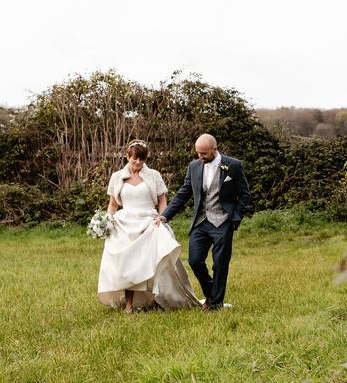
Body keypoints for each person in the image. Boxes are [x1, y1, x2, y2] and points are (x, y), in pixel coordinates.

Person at [97, 139, 201, 312]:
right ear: (127, 156)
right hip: (125, 224)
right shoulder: (117, 177)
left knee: (154, 261)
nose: (138, 162)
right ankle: (129, 305)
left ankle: (158, 299)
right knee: (127, 264)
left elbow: (162, 200)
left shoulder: (154, 175)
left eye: (142, 159)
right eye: (135, 158)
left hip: (149, 221)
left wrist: (162, 218)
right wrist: (107, 222)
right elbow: (113, 205)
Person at [157, 134, 251, 311]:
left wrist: (235, 217)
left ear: (215, 150)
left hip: (223, 221)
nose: (200, 157)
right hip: (200, 222)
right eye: (198, 153)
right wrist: (165, 215)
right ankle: (211, 294)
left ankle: (215, 305)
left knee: (220, 264)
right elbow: (184, 193)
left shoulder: (233, 166)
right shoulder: (193, 166)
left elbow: (244, 194)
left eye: (204, 153)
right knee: (195, 261)